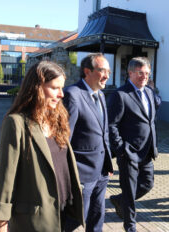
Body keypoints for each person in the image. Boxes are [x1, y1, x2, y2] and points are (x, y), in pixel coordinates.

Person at [0, 61, 84, 232]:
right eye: (55, 88)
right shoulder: (16, 123)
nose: (62, 94)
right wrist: (2, 223)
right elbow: (6, 176)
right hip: (36, 217)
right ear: (37, 88)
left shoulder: (57, 118)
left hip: (64, 208)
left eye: (62, 88)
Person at [63, 53, 113, 232]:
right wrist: (68, 175)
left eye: (109, 71)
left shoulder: (100, 95)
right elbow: (64, 140)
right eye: (102, 71)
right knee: (76, 218)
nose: (107, 75)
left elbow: (103, 132)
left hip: (101, 171)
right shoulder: (73, 95)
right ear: (87, 71)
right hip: (81, 172)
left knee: (97, 215)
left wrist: (107, 163)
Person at [108, 57, 158, 232]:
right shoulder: (120, 95)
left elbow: (149, 119)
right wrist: (121, 149)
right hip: (128, 152)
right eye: (140, 73)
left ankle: (119, 200)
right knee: (129, 191)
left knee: (147, 184)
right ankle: (130, 226)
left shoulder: (149, 92)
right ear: (130, 73)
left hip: (147, 151)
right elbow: (111, 125)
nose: (144, 76)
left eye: (146, 73)